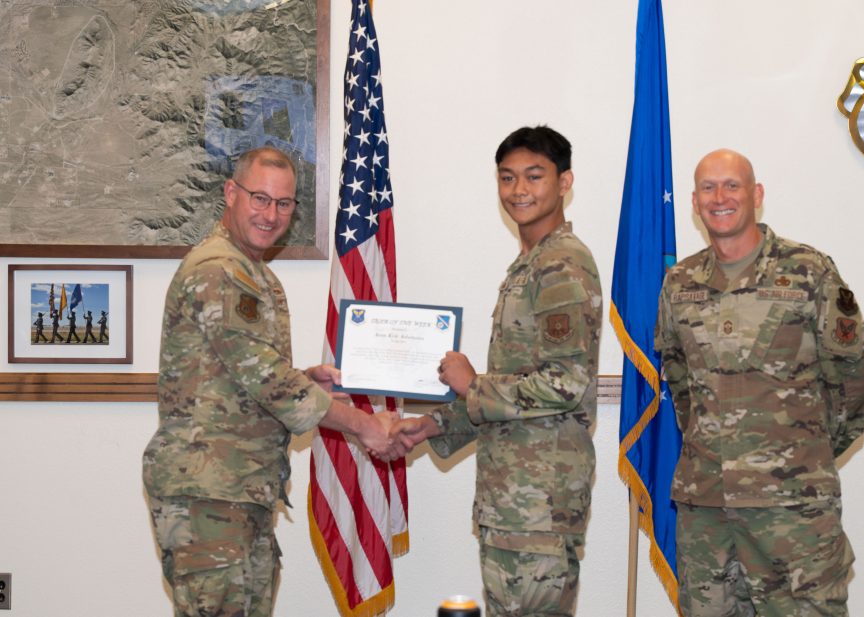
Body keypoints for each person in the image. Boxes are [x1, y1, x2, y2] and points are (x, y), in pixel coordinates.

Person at [142, 146, 405, 617]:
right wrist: (365, 426)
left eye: (283, 203)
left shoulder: (255, 273)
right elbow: (266, 380)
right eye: (259, 198)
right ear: (231, 193)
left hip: (239, 489)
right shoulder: (219, 270)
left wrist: (305, 379)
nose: (270, 214)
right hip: (210, 493)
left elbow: (241, 377)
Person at [393, 126, 602, 616]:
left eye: (534, 176)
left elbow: (565, 384)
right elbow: (516, 386)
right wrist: (434, 425)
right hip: (514, 502)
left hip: (538, 504)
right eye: (507, 178)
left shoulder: (561, 265)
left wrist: (474, 383)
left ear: (565, 182)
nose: (519, 190)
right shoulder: (529, 265)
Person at [655, 149, 864, 616]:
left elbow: (850, 382)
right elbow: (680, 383)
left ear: (756, 195)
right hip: (707, 508)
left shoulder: (808, 271)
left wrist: (799, 456)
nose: (720, 197)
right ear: (694, 202)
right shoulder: (679, 283)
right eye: (708, 188)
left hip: (793, 511)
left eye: (731, 185)